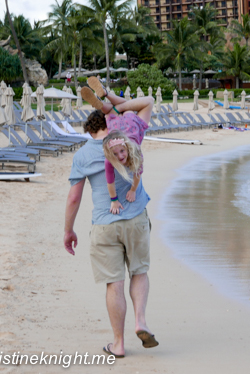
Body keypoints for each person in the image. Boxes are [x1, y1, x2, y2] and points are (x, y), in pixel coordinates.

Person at [64, 110, 159, 359]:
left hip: (105, 224)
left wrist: (68, 230)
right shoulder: (128, 141)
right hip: (136, 218)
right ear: (110, 123)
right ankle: (140, 321)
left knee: (114, 283)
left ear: (91, 130)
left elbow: (74, 197)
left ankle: (118, 344)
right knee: (139, 271)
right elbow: (144, 106)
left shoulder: (84, 154)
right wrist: (113, 102)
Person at [81, 78, 154, 216]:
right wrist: (123, 195)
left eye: (121, 152)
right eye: (116, 154)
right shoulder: (129, 153)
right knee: (124, 106)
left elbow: (114, 180)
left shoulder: (132, 152)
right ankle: (104, 99)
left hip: (132, 123)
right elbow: (134, 175)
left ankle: (107, 101)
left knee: (149, 101)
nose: (120, 156)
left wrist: (125, 194)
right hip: (116, 123)